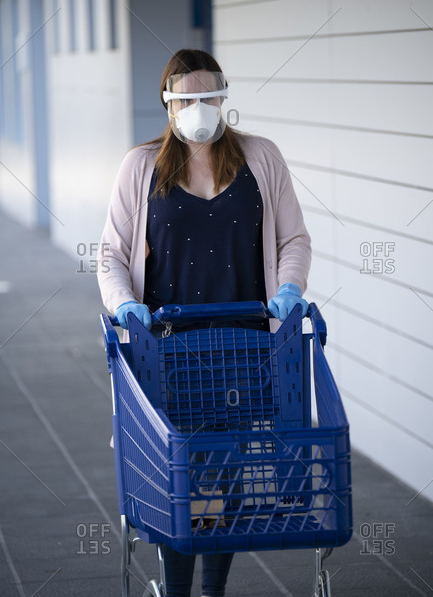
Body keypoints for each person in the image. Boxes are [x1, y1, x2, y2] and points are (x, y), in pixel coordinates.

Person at [97, 48, 311, 597]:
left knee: (231, 473)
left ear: (223, 98)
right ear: (168, 104)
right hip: (167, 351)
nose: (201, 107)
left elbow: (293, 239)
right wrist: (124, 304)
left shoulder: (260, 158)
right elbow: (111, 254)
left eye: (210, 96)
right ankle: (175, 588)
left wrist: (289, 288)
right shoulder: (140, 166)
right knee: (181, 477)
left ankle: (212, 589)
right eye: (188, 98)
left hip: (244, 348)